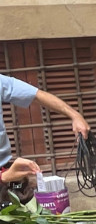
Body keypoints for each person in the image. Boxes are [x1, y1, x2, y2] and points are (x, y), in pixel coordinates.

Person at [0, 73, 90, 207]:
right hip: (5, 175)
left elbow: (37, 95)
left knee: (30, 220)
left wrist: (74, 115)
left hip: (6, 168)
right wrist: (3, 178)